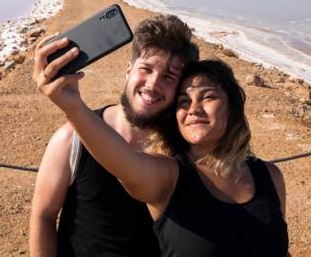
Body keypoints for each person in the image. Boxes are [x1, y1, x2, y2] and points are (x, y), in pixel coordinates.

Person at [38, 55, 289, 256]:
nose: (194, 109)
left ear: (232, 108)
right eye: (183, 101)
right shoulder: (168, 178)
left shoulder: (270, 176)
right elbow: (124, 162)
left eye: (208, 97)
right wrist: (74, 109)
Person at [30, 14, 200, 257]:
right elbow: (43, 216)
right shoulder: (71, 138)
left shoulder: (184, 150)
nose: (152, 84)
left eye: (168, 77)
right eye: (146, 69)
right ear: (128, 70)